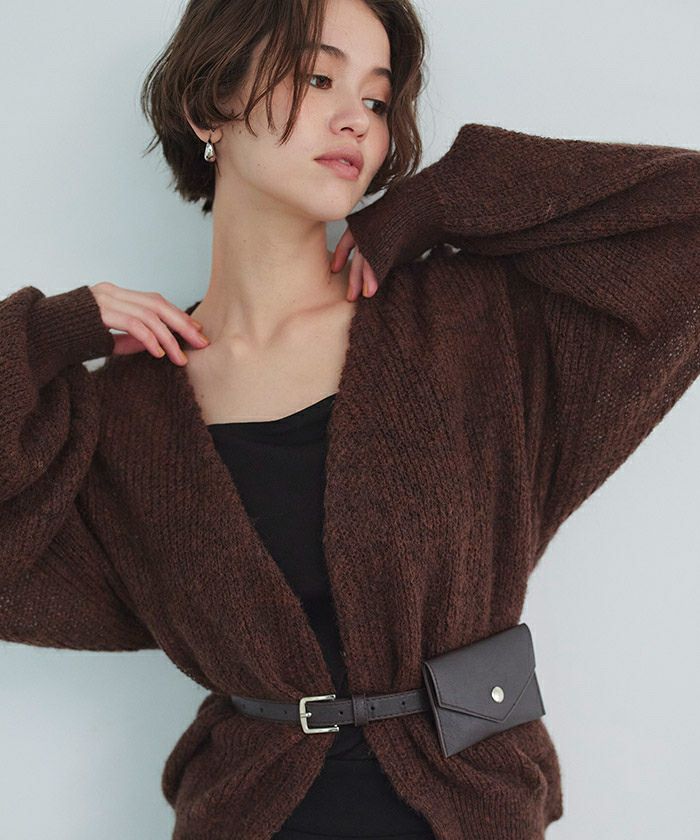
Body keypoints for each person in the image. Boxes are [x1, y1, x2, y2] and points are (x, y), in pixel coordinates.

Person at [2, 0, 699, 838]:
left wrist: (446, 199)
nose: (356, 120)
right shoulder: (123, 413)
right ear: (206, 106)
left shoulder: (465, 325)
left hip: (469, 812)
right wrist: (42, 336)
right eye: (317, 78)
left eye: (376, 98)